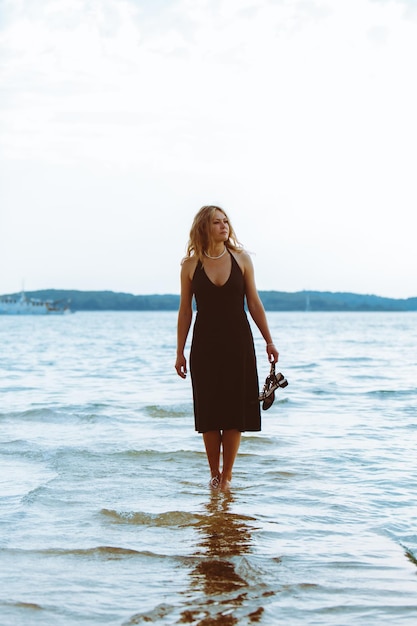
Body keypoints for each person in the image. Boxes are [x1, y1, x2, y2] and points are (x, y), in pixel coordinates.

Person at [175, 205, 279, 491]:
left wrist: (269, 341)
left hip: (238, 343)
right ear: (204, 228)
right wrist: (179, 351)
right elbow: (185, 311)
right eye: (217, 222)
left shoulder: (241, 259)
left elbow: (254, 304)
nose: (224, 226)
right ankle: (213, 474)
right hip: (204, 345)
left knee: (235, 411)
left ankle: (228, 475)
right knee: (209, 411)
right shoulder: (190, 265)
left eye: (226, 221)